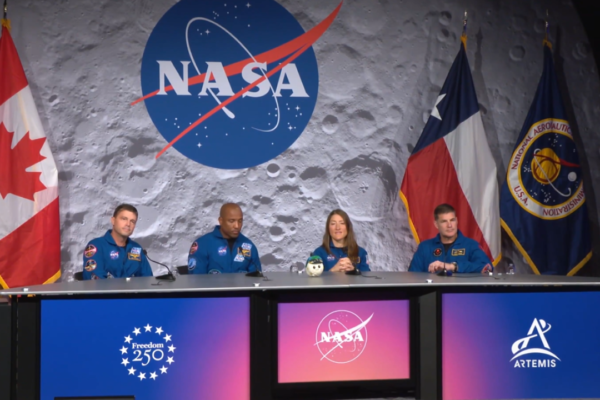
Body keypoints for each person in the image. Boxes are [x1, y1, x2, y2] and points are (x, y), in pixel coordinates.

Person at [408, 203, 493, 273]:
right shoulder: (424, 247)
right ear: (436, 224)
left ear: (457, 221)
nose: (449, 225)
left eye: (452, 220)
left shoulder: (471, 245)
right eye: (444, 221)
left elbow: (487, 268)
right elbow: (413, 277)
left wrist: (453, 266)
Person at [82, 204, 153, 280]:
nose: (128, 224)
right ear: (113, 221)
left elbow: (148, 280)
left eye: (132, 221)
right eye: (124, 219)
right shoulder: (95, 246)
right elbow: (95, 281)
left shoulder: (136, 248)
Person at [188, 203, 261, 274]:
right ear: (221, 221)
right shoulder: (202, 244)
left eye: (240, 221)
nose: (237, 226)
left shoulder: (249, 246)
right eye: (231, 221)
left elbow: (256, 278)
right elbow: (196, 280)